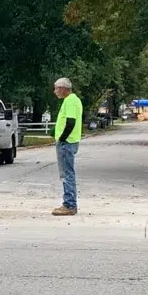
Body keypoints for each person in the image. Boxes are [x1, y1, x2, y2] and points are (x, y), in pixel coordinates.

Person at [52, 76, 83, 216]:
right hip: (71, 141)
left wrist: (62, 138)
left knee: (67, 174)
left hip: (67, 143)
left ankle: (69, 204)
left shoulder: (70, 101)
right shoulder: (73, 100)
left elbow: (70, 122)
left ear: (63, 89)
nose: (55, 91)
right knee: (67, 173)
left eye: (56, 88)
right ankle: (69, 203)